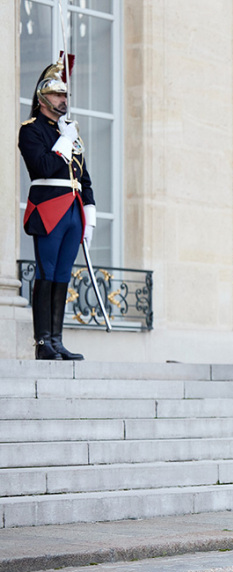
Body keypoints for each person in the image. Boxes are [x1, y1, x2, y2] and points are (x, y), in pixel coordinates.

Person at [19, 53, 95, 361]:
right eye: (56, 93)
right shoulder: (32, 130)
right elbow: (42, 166)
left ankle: (57, 340)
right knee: (47, 272)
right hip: (49, 207)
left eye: (64, 94)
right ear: (42, 97)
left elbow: (83, 176)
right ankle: (42, 343)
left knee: (64, 274)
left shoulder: (69, 131)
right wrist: (63, 141)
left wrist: (89, 214)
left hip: (73, 209)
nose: (63, 99)